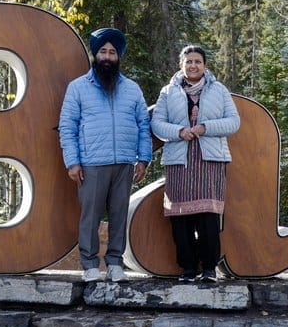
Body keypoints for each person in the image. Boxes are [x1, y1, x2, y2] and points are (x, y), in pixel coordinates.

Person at [59, 27, 152, 282]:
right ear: (95, 55)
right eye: (103, 51)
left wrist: (143, 159)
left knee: (119, 214)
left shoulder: (132, 89)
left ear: (119, 57)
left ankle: (115, 263)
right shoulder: (78, 88)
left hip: (124, 162)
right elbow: (68, 126)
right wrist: (72, 162)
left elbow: (144, 124)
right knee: (90, 216)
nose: (108, 57)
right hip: (91, 163)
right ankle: (89, 264)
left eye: (112, 52)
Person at [151, 45, 241, 282]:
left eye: (197, 61)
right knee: (180, 217)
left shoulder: (219, 90)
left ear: (205, 65)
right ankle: (188, 268)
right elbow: (157, 124)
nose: (193, 65)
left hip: (209, 160)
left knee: (208, 216)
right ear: (181, 65)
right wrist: (179, 131)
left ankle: (210, 268)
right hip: (178, 160)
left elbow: (233, 122)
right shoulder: (168, 92)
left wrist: (206, 128)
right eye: (188, 61)